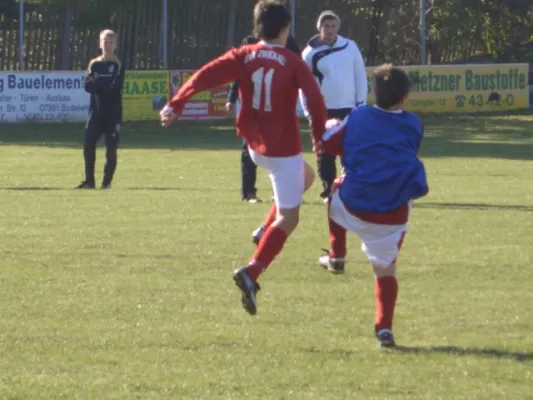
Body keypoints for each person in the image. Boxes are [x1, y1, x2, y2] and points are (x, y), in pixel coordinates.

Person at [159, 0, 327, 315]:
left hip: (255, 148)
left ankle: (264, 230)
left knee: (306, 178)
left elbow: (205, 75)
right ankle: (252, 271)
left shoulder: (244, 55)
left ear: (256, 28)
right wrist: (319, 138)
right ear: (285, 29)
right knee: (290, 218)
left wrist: (176, 103)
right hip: (283, 150)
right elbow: (315, 102)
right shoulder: (293, 62)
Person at [318, 64, 429, 348]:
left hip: (356, 205)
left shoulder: (359, 116)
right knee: (385, 271)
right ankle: (384, 329)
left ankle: (337, 254)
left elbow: (327, 143)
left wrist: (331, 125)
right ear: (403, 98)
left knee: (333, 191)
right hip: (393, 214)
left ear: (374, 93)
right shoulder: (414, 123)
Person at [300, 10, 367, 202]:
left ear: (338, 27)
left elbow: (360, 76)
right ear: (319, 28)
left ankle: (349, 187)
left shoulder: (350, 47)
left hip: (349, 107)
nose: (329, 30)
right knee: (325, 151)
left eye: (333, 26)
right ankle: (329, 189)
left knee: (350, 149)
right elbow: (304, 85)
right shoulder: (309, 53)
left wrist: (361, 104)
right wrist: (308, 110)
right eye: (325, 26)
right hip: (323, 110)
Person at [225, 31, 301, 203]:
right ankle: (248, 193)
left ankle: (279, 192)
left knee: (280, 150)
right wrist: (231, 98)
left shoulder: (288, 41)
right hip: (252, 107)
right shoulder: (250, 42)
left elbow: (299, 69)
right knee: (249, 148)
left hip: (279, 108)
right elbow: (239, 72)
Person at [76, 29, 125, 189]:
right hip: (95, 114)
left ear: (115, 45)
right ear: (100, 44)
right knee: (88, 145)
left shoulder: (118, 64)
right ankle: (89, 181)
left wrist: (98, 85)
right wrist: (101, 85)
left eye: (111, 42)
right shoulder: (94, 64)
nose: (108, 45)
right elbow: (87, 86)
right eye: (105, 41)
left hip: (113, 114)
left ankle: (107, 182)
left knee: (111, 149)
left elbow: (115, 87)